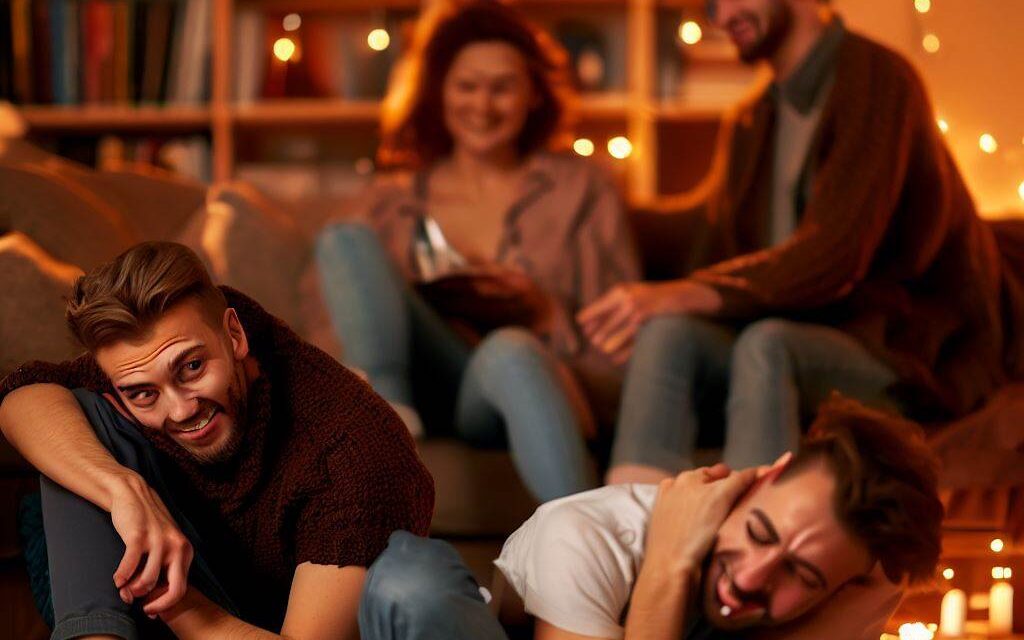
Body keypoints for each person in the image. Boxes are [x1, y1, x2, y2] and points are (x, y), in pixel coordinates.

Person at [579, 0, 1013, 484]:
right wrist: (587, 197)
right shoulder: (753, 115)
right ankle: (631, 537)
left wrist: (690, 291)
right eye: (709, 6)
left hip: (897, 347)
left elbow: (837, 251)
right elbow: (704, 230)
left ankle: (750, 545)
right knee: (669, 333)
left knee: (767, 345)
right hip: (799, 333)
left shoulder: (876, 79)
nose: (720, 19)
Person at [0, 242, 434, 639]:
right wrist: (120, 490)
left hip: (236, 623)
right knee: (76, 422)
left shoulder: (352, 450)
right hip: (129, 589)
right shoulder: (139, 362)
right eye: (144, 394)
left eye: (191, 368)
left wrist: (173, 597)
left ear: (235, 334)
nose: (181, 410)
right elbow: (22, 396)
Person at [315, 0, 640, 503]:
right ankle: (388, 424)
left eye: (502, 87)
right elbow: (333, 323)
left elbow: (621, 352)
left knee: (510, 349)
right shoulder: (391, 198)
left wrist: (544, 311)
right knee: (344, 239)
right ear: (439, 91)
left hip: (516, 383)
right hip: (425, 378)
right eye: (466, 85)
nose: (482, 107)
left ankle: (589, 542)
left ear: (533, 93)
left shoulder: (582, 187)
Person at [358, 396, 944, 640]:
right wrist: (670, 560)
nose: (751, 577)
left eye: (804, 575)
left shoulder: (846, 581)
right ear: (760, 477)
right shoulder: (590, 536)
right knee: (413, 582)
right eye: (761, 532)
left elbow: (887, 575)